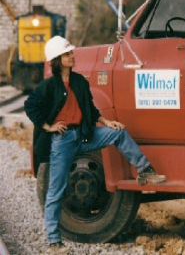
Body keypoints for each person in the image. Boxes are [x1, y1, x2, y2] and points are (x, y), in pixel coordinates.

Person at [24, 36, 167, 255]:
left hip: (83, 136)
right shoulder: (48, 86)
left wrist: (107, 123)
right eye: (67, 54)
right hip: (62, 143)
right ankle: (54, 242)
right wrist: (48, 126)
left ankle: (145, 171)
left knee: (117, 133)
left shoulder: (79, 81)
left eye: (71, 53)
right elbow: (30, 105)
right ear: (57, 60)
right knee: (55, 191)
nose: (72, 56)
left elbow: (90, 109)